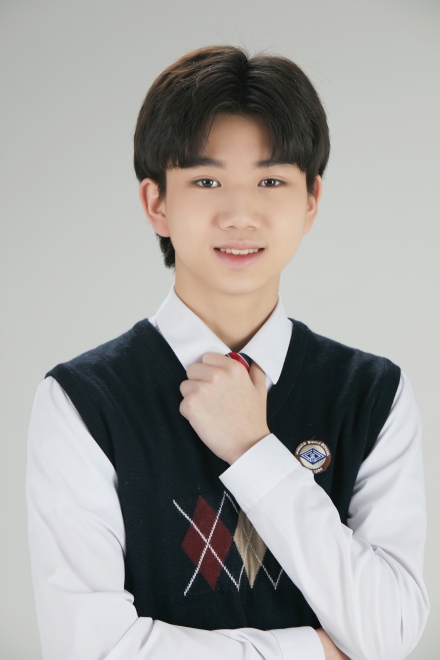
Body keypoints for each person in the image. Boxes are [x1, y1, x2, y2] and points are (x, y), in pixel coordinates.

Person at [26, 45, 429, 660]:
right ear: (157, 203)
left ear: (311, 200)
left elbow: (393, 631)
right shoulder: (82, 402)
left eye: (271, 181)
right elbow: (91, 650)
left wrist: (253, 449)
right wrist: (316, 653)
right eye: (207, 181)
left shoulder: (373, 395)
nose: (240, 215)